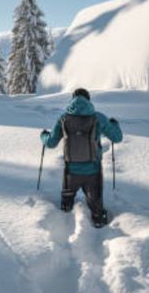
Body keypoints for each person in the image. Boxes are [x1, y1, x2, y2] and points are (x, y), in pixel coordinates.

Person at [40, 88, 122, 228]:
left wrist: (43, 135)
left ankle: (63, 227)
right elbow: (117, 137)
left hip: (71, 172)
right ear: (88, 100)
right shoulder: (98, 118)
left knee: (66, 207)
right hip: (93, 172)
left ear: (72, 99)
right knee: (97, 210)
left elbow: (51, 142)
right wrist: (115, 124)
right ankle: (99, 224)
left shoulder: (63, 118)